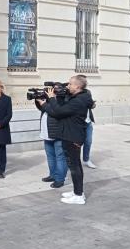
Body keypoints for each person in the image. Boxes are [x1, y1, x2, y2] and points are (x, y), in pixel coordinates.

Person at [38, 75, 94, 205]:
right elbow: (62, 108)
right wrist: (60, 96)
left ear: (78, 87)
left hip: (72, 137)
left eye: (70, 84)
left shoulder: (78, 101)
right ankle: (77, 192)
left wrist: (51, 99)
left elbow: (58, 112)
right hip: (71, 135)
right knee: (75, 166)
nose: (68, 86)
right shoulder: (80, 97)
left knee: (74, 167)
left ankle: (78, 196)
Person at [35, 86, 67, 189]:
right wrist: (38, 100)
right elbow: (42, 108)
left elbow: (55, 113)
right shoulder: (50, 100)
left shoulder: (62, 100)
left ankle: (60, 179)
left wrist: (46, 102)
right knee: (50, 157)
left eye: (50, 90)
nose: (48, 92)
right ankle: (52, 175)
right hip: (46, 134)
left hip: (57, 134)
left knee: (60, 157)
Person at [78, 75, 97, 169]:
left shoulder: (88, 92)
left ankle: (86, 159)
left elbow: (90, 105)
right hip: (78, 122)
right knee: (76, 143)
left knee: (88, 141)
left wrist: (93, 105)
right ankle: (74, 161)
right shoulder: (73, 93)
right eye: (84, 81)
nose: (86, 83)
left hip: (88, 121)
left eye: (86, 81)